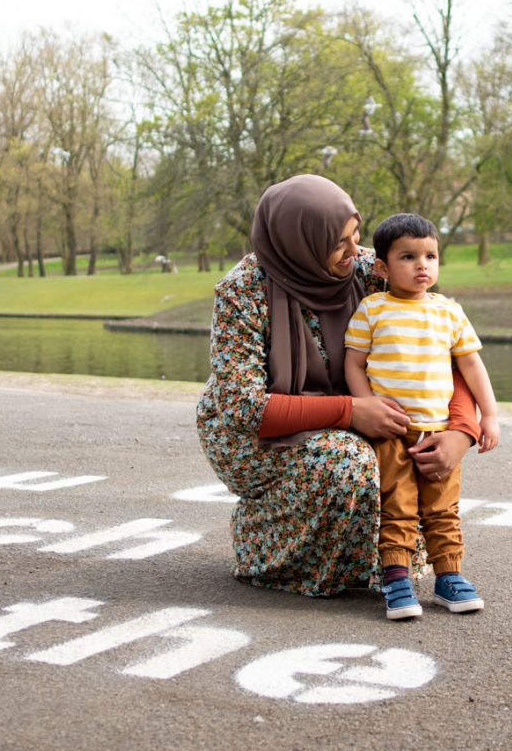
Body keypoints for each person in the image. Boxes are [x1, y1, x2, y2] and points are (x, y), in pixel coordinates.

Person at [194, 176, 481, 596]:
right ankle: (267, 550)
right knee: (348, 462)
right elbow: (244, 407)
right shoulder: (243, 291)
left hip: (364, 414)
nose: (354, 252)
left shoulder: (371, 271)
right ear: (301, 241)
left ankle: (368, 564)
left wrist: (461, 431)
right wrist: (350, 411)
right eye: (338, 242)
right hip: (255, 435)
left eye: (356, 237)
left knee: (421, 443)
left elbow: (439, 349)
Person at [343, 212, 500, 620]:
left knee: (443, 507)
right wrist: (366, 405)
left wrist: (490, 416)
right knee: (397, 506)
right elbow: (354, 365)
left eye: (430, 256)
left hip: (438, 429)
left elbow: (471, 367)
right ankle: (396, 578)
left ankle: (449, 577)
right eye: (409, 257)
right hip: (392, 431)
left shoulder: (449, 313)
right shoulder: (372, 310)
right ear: (382, 266)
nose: (422, 266)